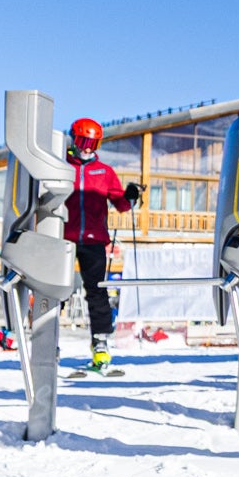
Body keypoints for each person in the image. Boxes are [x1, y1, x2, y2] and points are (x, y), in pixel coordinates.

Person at [64, 118, 143, 374]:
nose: (87, 148)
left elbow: (120, 203)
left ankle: (100, 344)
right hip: (63, 238)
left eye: (93, 143)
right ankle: (46, 342)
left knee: (96, 292)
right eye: (83, 142)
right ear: (74, 140)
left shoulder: (104, 171)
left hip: (94, 239)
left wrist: (131, 197)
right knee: (55, 290)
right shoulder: (62, 168)